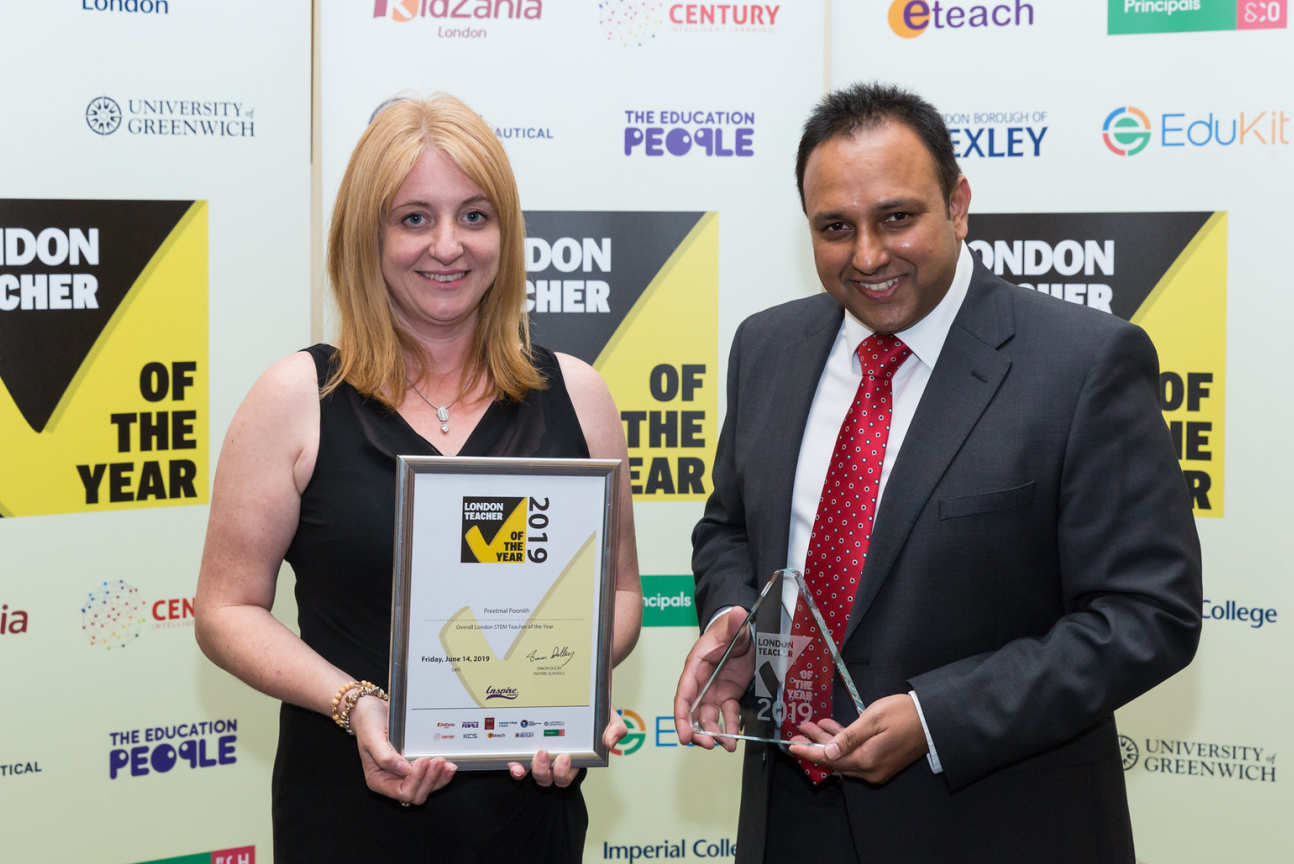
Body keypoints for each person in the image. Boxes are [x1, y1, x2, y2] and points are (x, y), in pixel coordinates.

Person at [673, 82, 1202, 864]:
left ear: (957, 205)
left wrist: (936, 718)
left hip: (993, 824)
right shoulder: (766, 348)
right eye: (835, 227)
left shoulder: (1083, 363)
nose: (868, 256)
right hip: (789, 818)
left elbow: (1148, 614)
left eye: (897, 217)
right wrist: (738, 620)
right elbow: (727, 528)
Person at [195, 94, 641, 863]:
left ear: (506, 232)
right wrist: (353, 702)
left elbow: (623, 594)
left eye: (475, 216)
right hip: (347, 813)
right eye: (414, 218)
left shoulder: (578, 394)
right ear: (366, 236)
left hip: (528, 819)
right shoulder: (298, 397)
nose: (448, 245)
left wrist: (569, 694)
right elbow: (224, 608)